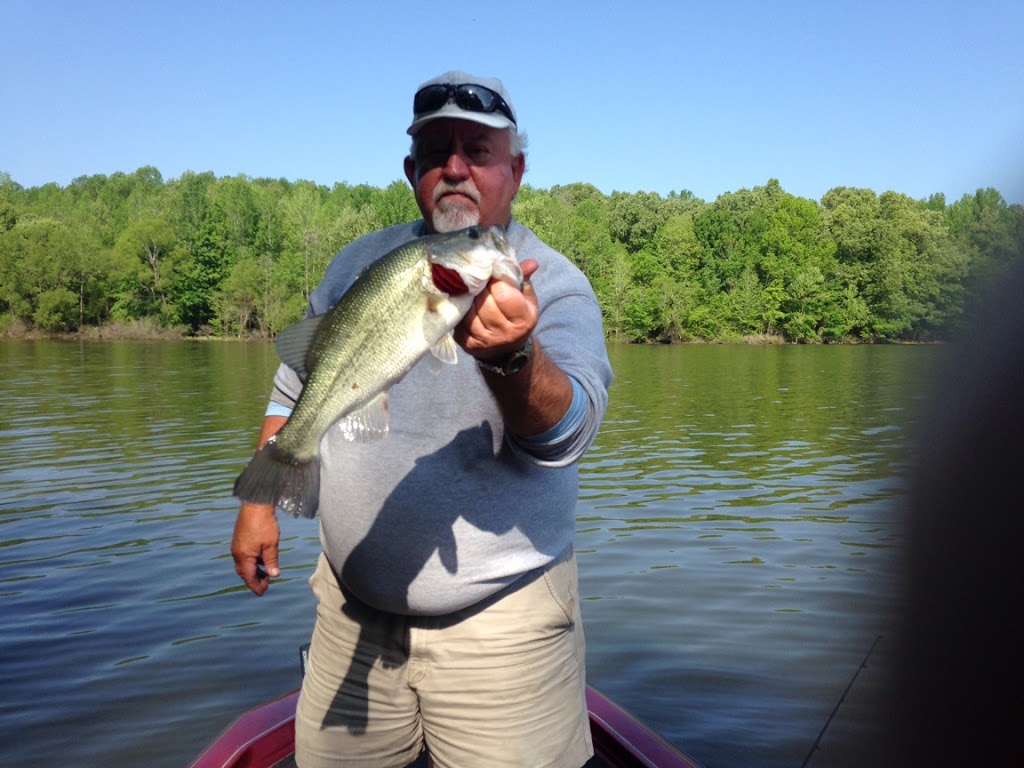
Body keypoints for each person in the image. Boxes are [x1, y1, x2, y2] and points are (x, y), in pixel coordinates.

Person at [230, 70, 613, 768]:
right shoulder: (358, 264)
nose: (455, 168)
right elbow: (295, 383)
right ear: (412, 173)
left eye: (478, 151)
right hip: (349, 616)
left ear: (516, 171)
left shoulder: (556, 285)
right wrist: (260, 503)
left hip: (504, 635)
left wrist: (513, 358)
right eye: (436, 152)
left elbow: (568, 435)